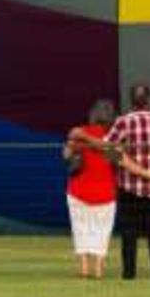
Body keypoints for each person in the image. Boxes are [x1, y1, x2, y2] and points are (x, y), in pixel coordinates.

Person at [106, 82, 150, 280]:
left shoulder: (123, 121)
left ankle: (129, 274)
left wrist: (126, 162)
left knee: (129, 235)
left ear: (131, 100)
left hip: (130, 187)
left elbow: (109, 150)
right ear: (149, 98)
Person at [63, 99, 121, 278]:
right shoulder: (115, 138)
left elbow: (65, 155)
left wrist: (83, 140)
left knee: (80, 229)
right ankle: (98, 269)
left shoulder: (79, 133)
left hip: (79, 190)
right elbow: (116, 158)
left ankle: (84, 268)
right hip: (105, 192)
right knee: (102, 231)